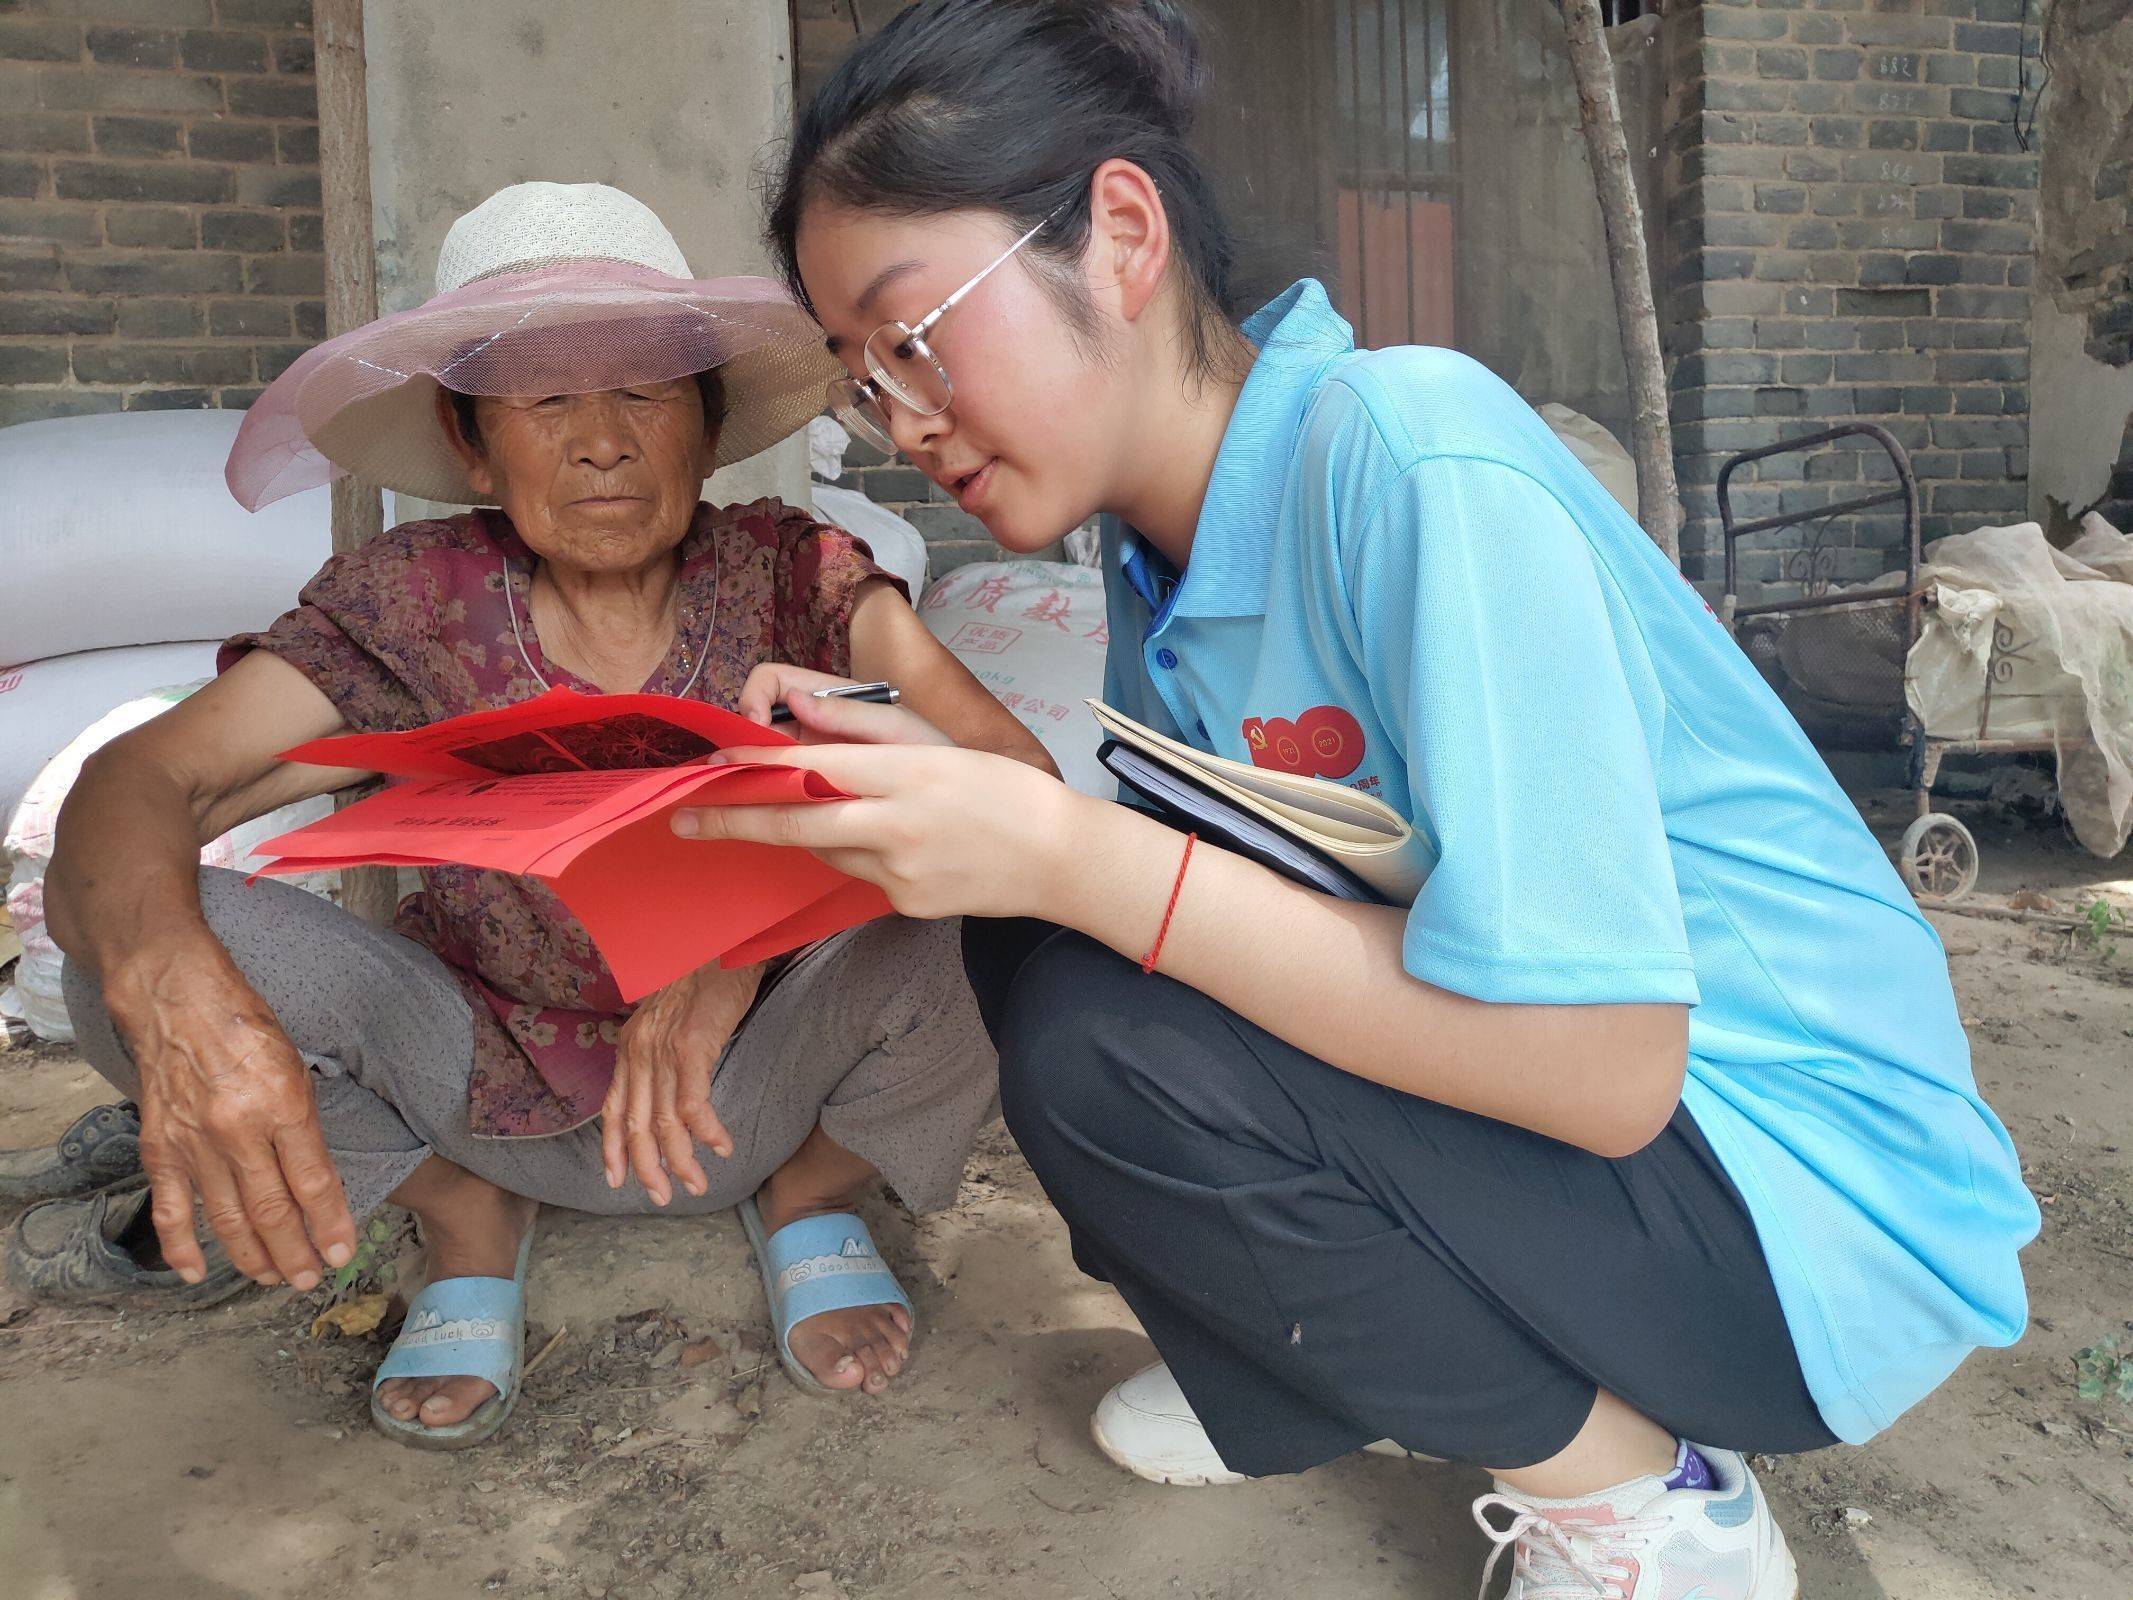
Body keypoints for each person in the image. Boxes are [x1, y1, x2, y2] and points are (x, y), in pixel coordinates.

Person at [670, 3, 2040, 1594]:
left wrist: (1066, 851)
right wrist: (978, 809)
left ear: (1121, 232)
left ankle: (1652, 1507)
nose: (900, 422)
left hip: (1797, 1215)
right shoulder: (1161, 555)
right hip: (1635, 1168)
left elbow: (1604, 1071)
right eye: (858, 378)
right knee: (1040, 950)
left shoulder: (1408, 458)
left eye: (913, 337)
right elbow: (1242, 895)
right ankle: (1323, 1362)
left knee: (1105, 1034)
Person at [20, 181, 1051, 1449]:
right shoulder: (408, 603)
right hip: (471, 1078)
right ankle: (461, 1215)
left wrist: (738, 959)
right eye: (545, 400)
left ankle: (813, 1191)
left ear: (708, 422)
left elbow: (1019, 786)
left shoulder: (799, 571)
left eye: (643, 392)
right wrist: (176, 987)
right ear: (471, 446)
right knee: (124, 949)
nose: (601, 441)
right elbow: (144, 782)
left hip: (769, 1075)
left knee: (1014, 913)